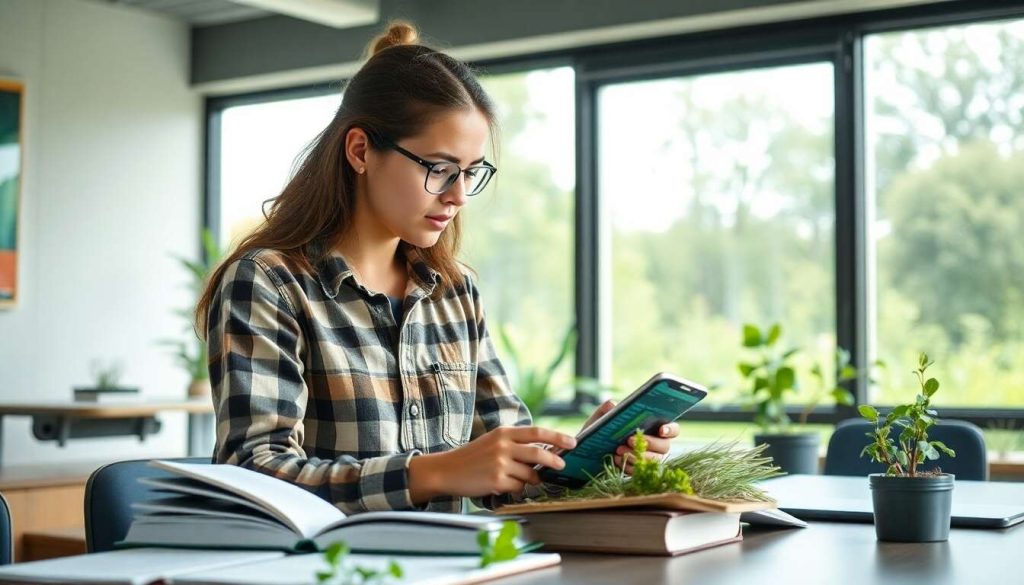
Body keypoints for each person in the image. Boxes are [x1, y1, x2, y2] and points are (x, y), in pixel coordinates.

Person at [195, 21, 680, 514]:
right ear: (360, 150)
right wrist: (435, 472)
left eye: (470, 172)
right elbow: (253, 474)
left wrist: (587, 457)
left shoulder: (455, 291)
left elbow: (509, 474)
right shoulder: (269, 283)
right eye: (440, 169)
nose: (459, 195)